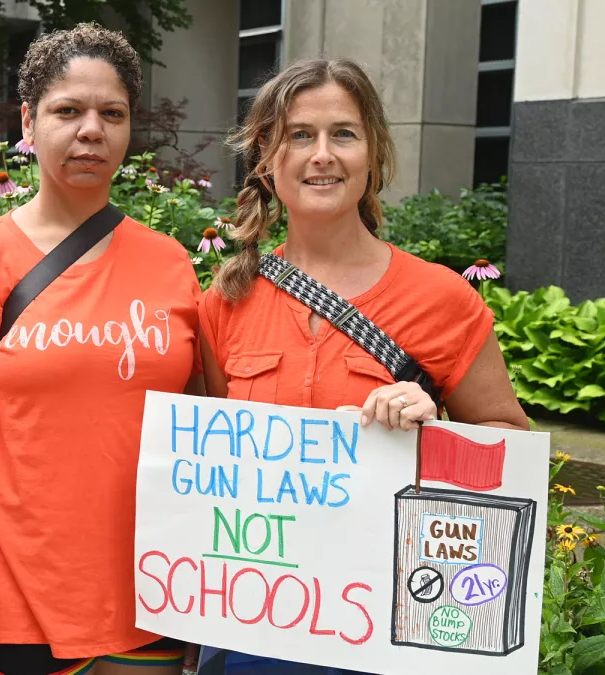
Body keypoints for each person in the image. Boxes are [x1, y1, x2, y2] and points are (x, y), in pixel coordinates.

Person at [196, 58, 529, 674]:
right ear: (266, 158)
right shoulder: (225, 303)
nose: (322, 154)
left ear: (374, 153)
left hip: (392, 626)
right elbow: (207, 468)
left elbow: (510, 455)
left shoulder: (443, 300)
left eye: (343, 134)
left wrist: (436, 432)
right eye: (299, 135)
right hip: (252, 630)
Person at [0, 23, 204, 675]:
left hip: (151, 601)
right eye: (68, 110)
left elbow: (204, 434)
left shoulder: (171, 266)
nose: (90, 129)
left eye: (111, 113)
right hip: (15, 604)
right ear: (28, 121)